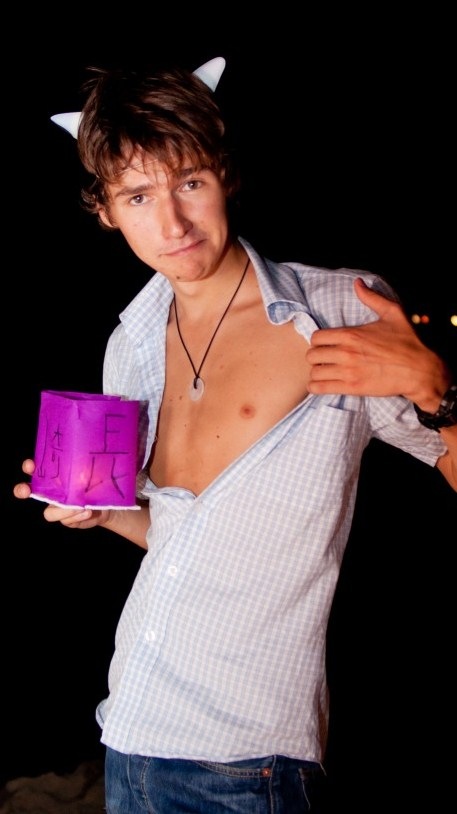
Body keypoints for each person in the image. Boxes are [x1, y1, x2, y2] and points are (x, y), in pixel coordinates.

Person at [14, 55, 457, 813]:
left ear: (224, 174)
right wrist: (103, 515)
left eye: (189, 182)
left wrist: (436, 391)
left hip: (249, 760)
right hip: (130, 729)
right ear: (106, 211)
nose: (173, 224)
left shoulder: (339, 308)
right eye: (139, 196)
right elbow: (184, 540)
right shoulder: (130, 343)